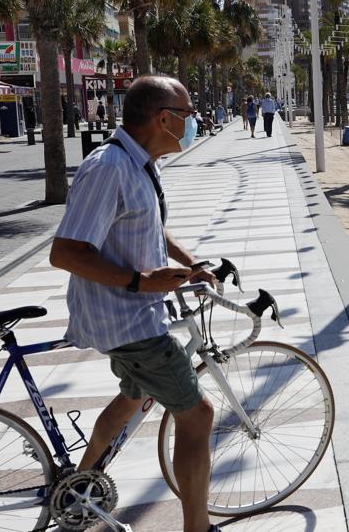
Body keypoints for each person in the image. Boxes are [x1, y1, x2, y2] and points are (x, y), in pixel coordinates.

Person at [48, 75, 220, 532]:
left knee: (134, 395)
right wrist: (141, 282)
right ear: (164, 119)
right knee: (198, 416)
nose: (194, 123)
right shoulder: (109, 167)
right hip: (127, 320)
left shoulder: (140, 162)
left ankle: (80, 488)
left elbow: (147, 227)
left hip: (132, 313)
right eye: (188, 115)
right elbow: (64, 252)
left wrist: (192, 263)